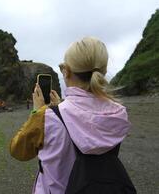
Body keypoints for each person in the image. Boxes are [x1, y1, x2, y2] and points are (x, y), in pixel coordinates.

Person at [10, 37, 135, 194]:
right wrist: (59, 107)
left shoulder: (45, 116)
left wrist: (38, 112)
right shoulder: (118, 113)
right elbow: (86, 122)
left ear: (66, 71)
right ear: (103, 71)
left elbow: (18, 151)